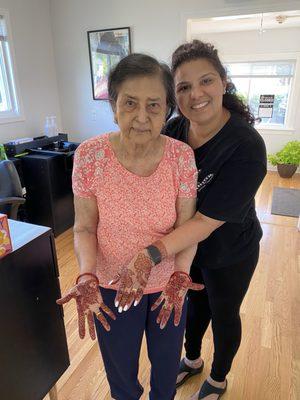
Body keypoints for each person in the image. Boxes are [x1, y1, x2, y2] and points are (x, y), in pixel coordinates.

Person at [113, 40, 267, 400]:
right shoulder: (174, 130)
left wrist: (149, 253)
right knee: (191, 305)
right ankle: (194, 359)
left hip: (229, 251)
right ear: (174, 96)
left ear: (223, 82)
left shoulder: (247, 147)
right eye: (183, 86)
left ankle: (218, 377)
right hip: (184, 249)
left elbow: (204, 221)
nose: (196, 93)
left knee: (224, 311)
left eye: (206, 81)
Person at [56, 53, 203, 400]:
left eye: (154, 105)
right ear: (113, 105)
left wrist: (180, 273)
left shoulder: (181, 156)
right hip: (109, 286)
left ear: (167, 108)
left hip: (168, 286)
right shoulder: (90, 156)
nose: (141, 117)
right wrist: (86, 275)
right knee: (121, 377)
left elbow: (188, 227)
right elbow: (84, 228)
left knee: (166, 374)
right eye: (130, 103)